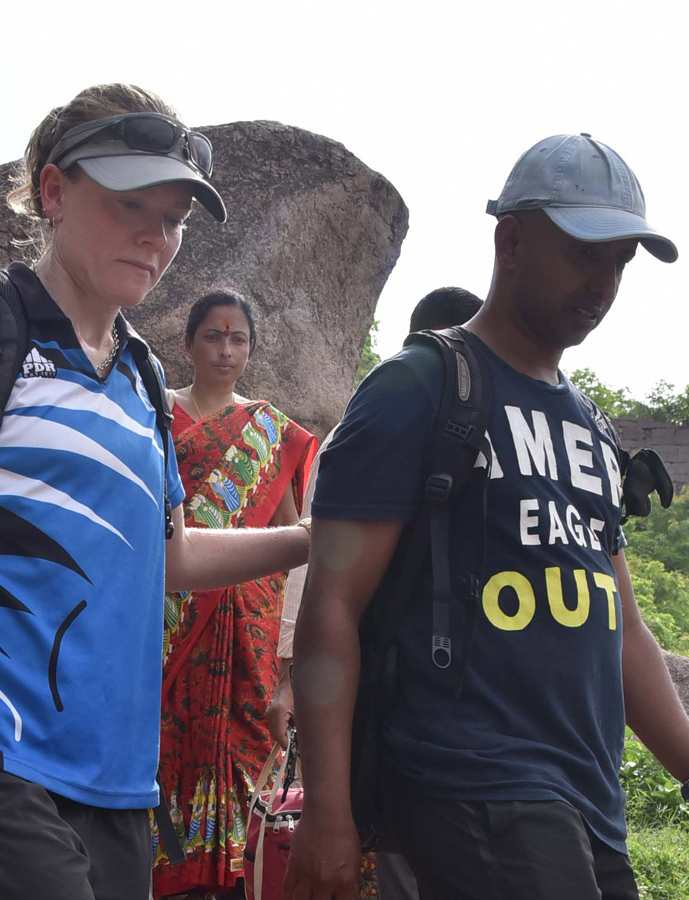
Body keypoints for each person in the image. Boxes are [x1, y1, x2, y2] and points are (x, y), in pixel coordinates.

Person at [0, 84, 313, 900]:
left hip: (115, 782)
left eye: (174, 220)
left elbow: (172, 556)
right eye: (130, 204)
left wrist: (311, 539)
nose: (155, 238)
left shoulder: (144, 380)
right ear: (54, 191)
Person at [284, 134, 689, 900]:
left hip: (591, 799)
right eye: (583, 252)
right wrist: (328, 811)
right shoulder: (418, 388)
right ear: (511, 240)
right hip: (471, 781)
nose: (602, 282)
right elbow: (332, 607)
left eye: (619, 261)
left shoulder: (593, 428)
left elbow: (624, 628)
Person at [269, 287, 482, 900]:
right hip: (388, 682)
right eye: (448, 351)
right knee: (397, 851)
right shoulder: (371, 430)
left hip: (475, 708)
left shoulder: (497, 439)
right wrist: (288, 678)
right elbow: (317, 578)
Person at [154, 290, 318, 898]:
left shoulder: (272, 434)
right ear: (188, 343)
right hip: (163, 631)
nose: (226, 350)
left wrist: (289, 664)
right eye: (213, 336)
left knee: (236, 758)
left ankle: (225, 877)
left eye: (239, 338)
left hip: (246, 635)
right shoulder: (155, 416)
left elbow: (296, 543)